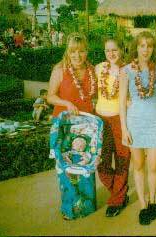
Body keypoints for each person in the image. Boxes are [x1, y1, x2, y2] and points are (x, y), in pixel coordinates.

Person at [47, 32, 97, 220]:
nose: (77, 56)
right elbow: (50, 96)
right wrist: (66, 103)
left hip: (86, 128)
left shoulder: (92, 71)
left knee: (86, 165)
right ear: (68, 52)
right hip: (64, 126)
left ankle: (87, 206)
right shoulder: (60, 70)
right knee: (66, 167)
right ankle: (69, 207)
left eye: (82, 51)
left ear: (87, 52)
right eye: (73, 52)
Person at [119, 31, 156, 225]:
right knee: (138, 165)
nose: (146, 49)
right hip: (135, 122)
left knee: (153, 166)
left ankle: (153, 201)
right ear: (136, 47)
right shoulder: (126, 70)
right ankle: (143, 205)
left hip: (155, 121)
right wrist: (124, 129)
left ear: (154, 48)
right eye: (142, 45)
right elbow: (121, 102)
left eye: (150, 45)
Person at [95, 37, 131, 217]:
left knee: (123, 160)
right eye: (108, 50)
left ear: (122, 50)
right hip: (101, 119)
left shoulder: (129, 70)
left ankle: (118, 199)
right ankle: (118, 191)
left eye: (114, 50)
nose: (111, 54)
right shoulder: (99, 68)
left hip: (121, 119)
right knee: (101, 161)